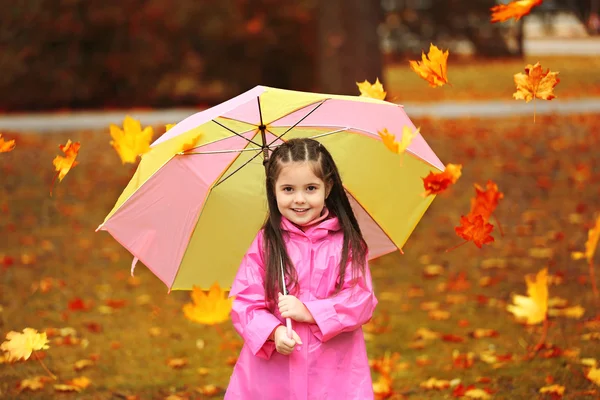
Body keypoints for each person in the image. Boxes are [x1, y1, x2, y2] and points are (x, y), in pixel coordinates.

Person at [224, 138, 378, 399]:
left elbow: (360, 298)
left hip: (333, 369)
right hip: (274, 371)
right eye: (287, 189)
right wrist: (273, 331)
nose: (299, 199)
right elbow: (246, 303)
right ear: (273, 189)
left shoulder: (346, 243)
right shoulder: (267, 243)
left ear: (327, 188)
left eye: (310, 188)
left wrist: (309, 312)